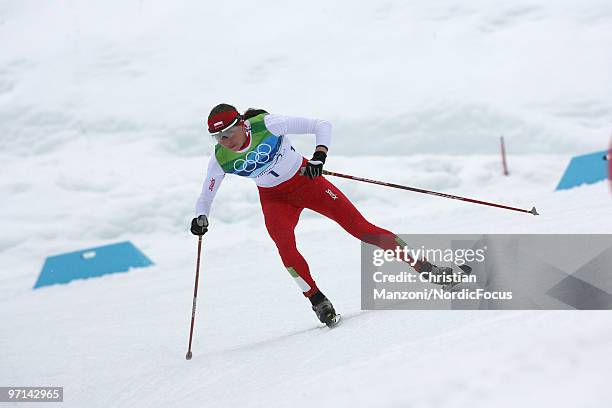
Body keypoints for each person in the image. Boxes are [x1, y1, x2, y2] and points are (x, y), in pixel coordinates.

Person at [191, 104, 458, 327]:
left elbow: (322, 125)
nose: (225, 141)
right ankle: (317, 300)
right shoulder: (221, 157)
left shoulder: (268, 124)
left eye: (228, 133)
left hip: (308, 182)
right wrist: (201, 216)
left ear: (241, 124)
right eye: (218, 138)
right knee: (284, 247)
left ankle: (428, 269)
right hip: (274, 200)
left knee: (361, 229)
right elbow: (207, 193)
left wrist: (319, 157)